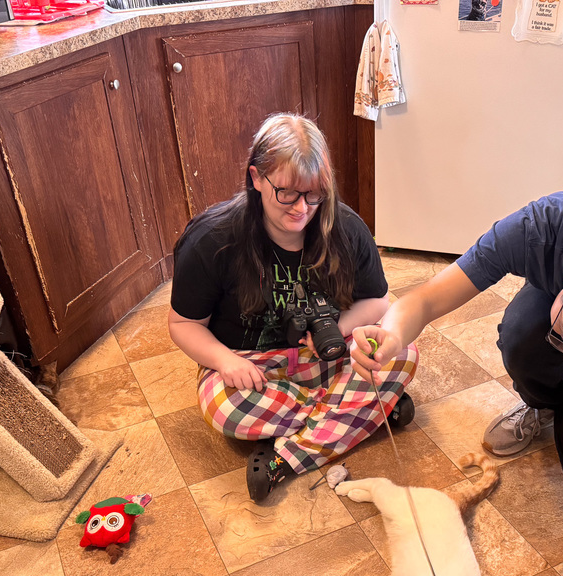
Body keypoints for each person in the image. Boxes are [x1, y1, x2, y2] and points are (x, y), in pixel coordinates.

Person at [351, 192, 563, 564]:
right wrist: (392, 334)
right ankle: (543, 403)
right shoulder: (540, 227)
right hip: (561, 298)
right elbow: (426, 299)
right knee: (523, 338)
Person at [168, 113, 417, 502]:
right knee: (223, 407)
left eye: (314, 194)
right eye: (287, 193)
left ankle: (285, 456)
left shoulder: (347, 227)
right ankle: (369, 407)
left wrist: (339, 326)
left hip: (325, 353)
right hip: (252, 364)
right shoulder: (211, 239)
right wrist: (224, 361)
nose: (302, 208)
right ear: (256, 178)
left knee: (402, 350)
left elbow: (377, 301)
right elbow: (183, 324)